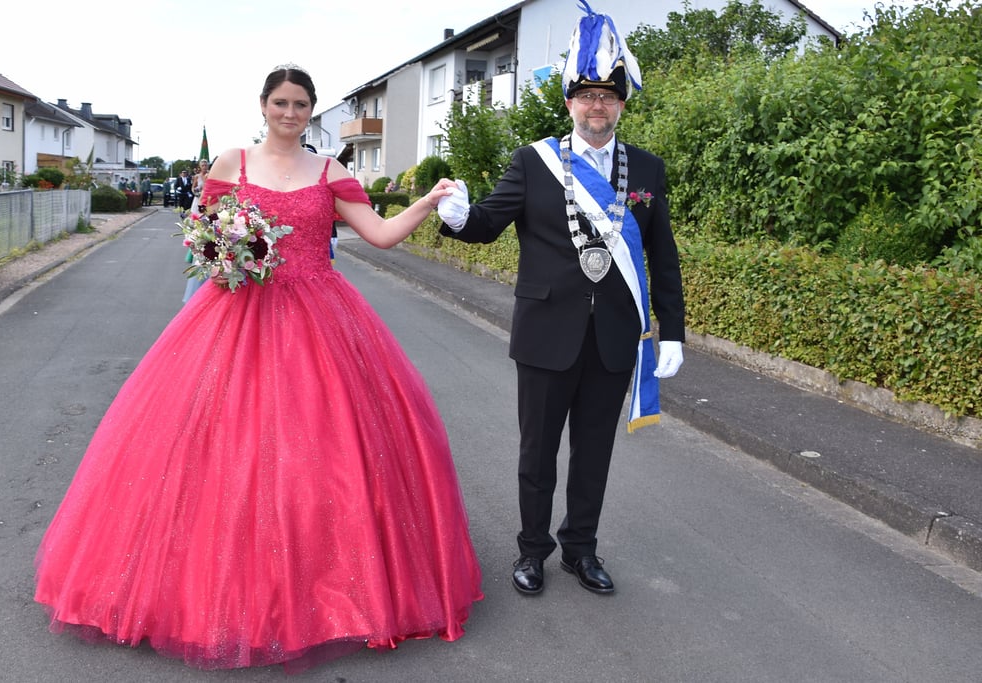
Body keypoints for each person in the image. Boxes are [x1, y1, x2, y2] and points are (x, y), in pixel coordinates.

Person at [34, 64, 482, 673]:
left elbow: (378, 235)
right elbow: (201, 236)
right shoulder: (230, 164)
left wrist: (427, 202)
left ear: (310, 110)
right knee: (220, 445)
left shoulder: (332, 172)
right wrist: (224, 258)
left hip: (321, 313)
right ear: (264, 106)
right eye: (281, 102)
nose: (290, 112)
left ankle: (324, 582)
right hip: (237, 310)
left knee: (325, 448)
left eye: (300, 104)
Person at [437, 3, 685, 597]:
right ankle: (532, 552)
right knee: (538, 455)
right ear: (569, 101)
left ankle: (581, 549)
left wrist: (672, 329)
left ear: (622, 102)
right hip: (547, 332)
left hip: (614, 339)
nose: (596, 105)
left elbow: (664, 255)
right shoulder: (533, 160)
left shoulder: (646, 168)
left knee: (594, 453)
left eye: (607, 95)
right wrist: (456, 216)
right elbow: (488, 223)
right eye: (586, 94)